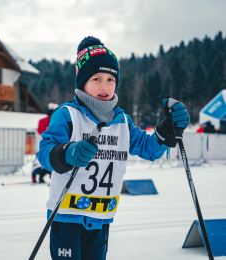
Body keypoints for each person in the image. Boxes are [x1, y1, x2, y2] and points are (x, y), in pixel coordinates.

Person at [37, 36, 190, 260]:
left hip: (101, 219)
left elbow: (148, 148)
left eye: (110, 79)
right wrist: (68, 153)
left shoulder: (122, 121)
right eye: (96, 79)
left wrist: (167, 129)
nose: (104, 86)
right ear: (82, 82)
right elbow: (44, 152)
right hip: (67, 217)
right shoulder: (67, 114)